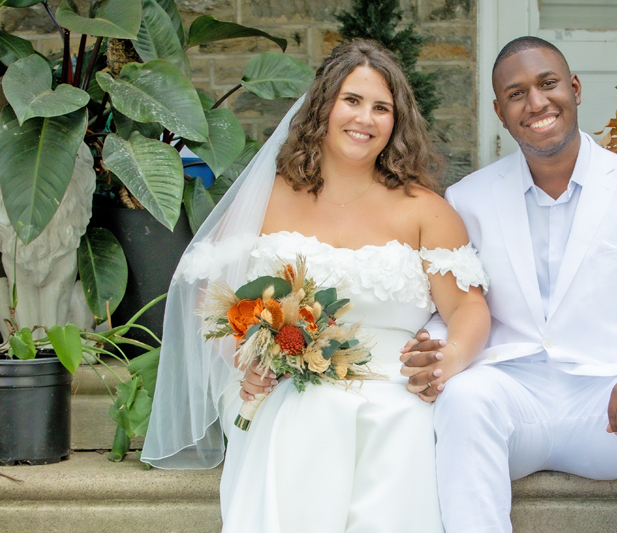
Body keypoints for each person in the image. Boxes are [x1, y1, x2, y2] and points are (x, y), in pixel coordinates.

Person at [140, 40, 490, 532]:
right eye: (352, 100)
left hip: (396, 382)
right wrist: (246, 359)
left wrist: (446, 360)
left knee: (404, 424)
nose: (364, 118)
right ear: (323, 106)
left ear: (397, 121)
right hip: (285, 381)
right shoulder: (269, 196)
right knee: (313, 406)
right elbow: (208, 297)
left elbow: (468, 308)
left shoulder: (424, 210)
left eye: (381, 108)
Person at [401, 36, 617, 531]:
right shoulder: (467, 199)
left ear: (574, 88)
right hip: (510, 399)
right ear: (499, 110)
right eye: (516, 94)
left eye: (548, 83)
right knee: (466, 399)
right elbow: (452, 305)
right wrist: (437, 349)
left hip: (610, 403)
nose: (536, 102)